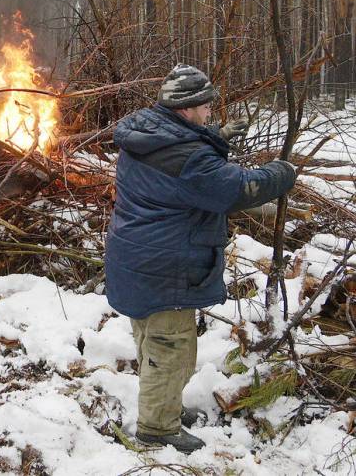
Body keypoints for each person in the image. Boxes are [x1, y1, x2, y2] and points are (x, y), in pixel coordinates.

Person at [104, 64, 296, 452]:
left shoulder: (145, 135)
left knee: (150, 341)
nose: (211, 112)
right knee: (171, 350)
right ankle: (157, 429)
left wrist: (213, 138)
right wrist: (283, 172)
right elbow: (237, 189)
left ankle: (164, 406)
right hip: (167, 265)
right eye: (206, 107)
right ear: (186, 109)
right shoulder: (187, 159)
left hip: (136, 256)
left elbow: (183, 160)